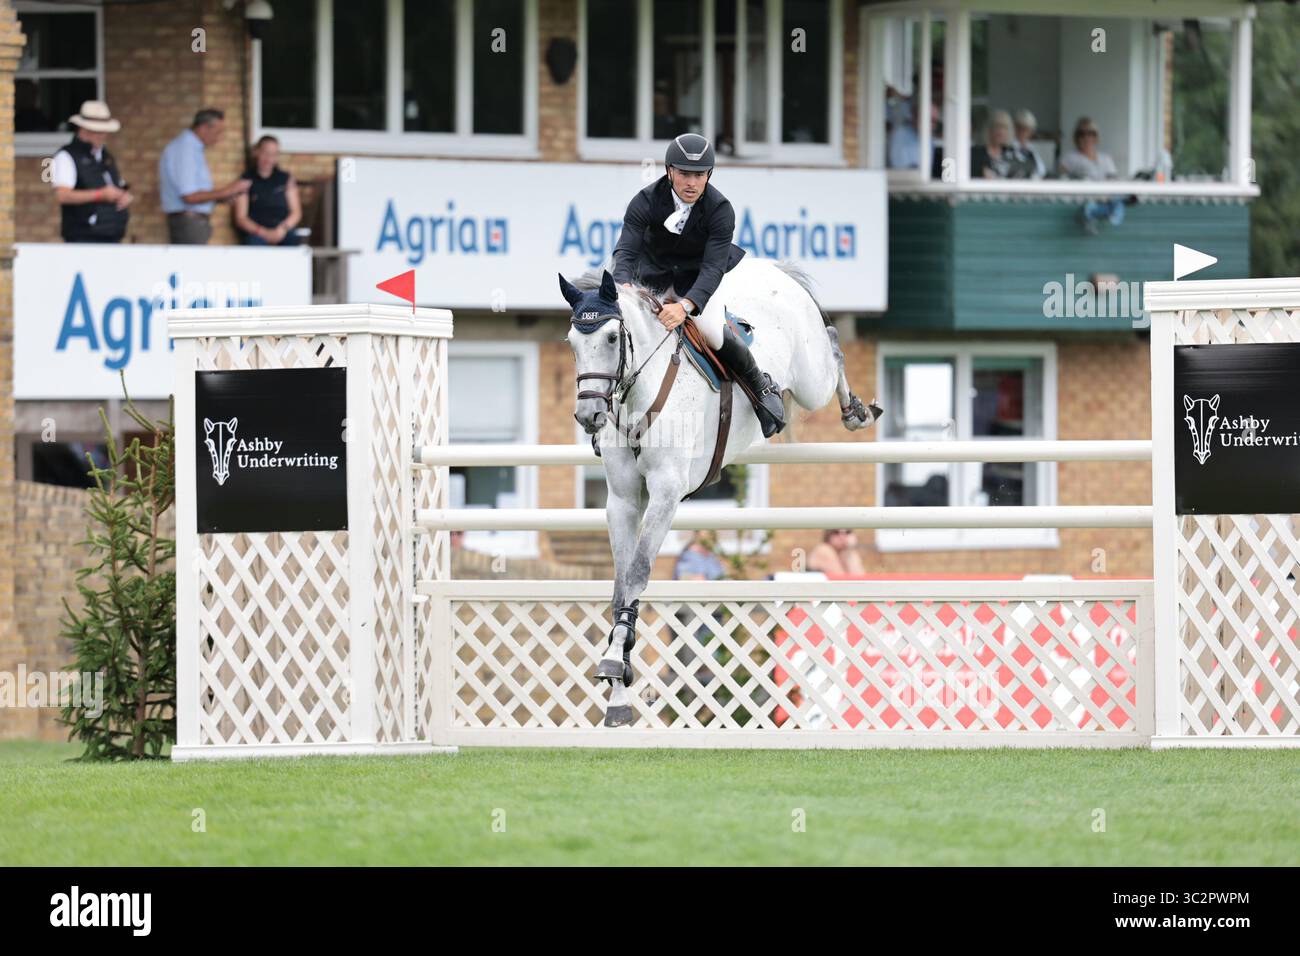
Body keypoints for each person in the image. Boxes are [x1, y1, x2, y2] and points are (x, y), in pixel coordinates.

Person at [611, 133, 786, 438]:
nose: (691, 183)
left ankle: (762, 390)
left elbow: (713, 267)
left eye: (699, 175)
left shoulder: (720, 209)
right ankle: (604, 416)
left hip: (697, 280)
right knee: (620, 336)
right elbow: (626, 252)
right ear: (669, 171)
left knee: (713, 331)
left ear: (708, 175)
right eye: (684, 174)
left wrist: (686, 306)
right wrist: (622, 289)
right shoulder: (645, 201)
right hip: (651, 280)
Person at [159, 107, 251, 244]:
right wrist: (227, 191)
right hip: (189, 223)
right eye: (217, 132)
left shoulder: (193, 148)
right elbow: (189, 196)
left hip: (194, 223)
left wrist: (222, 197)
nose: (219, 137)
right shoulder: (185, 149)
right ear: (203, 128)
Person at [50, 100, 132, 243]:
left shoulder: (105, 156)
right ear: (83, 129)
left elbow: (115, 185)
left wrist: (122, 196)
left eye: (104, 131)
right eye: (96, 131)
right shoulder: (66, 156)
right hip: (83, 237)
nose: (101, 136)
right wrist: (100, 195)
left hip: (112, 234)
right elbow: (62, 195)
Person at [1059, 117, 1130, 233]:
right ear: (1076, 138)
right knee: (1088, 208)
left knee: (1123, 198)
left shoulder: (1105, 158)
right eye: (1082, 134)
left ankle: (1108, 215)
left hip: (1107, 198)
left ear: (1096, 137)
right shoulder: (1069, 158)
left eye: (1091, 133)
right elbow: (1062, 181)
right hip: (1086, 199)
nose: (1087, 138)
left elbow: (1114, 181)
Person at [233, 135, 302, 245]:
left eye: (274, 154)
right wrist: (262, 232)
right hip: (256, 232)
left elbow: (296, 212)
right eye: (266, 153)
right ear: (256, 152)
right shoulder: (246, 180)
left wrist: (282, 229)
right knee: (253, 243)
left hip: (283, 230)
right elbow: (241, 218)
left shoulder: (286, 179)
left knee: (293, 240)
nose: (269, 159)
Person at [970, 109, 1014, 179]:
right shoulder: (975, 153)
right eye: (997, 126)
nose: (1001, 131)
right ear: (989, 128)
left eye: (1004, 127)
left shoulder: (1012, 153)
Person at [1009, 108, 1046, 180]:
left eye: (1028, 130)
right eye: (1021, 128)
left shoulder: (1031, 148)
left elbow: (1041, 170)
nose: (1024, 132)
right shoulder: (1009, 146)